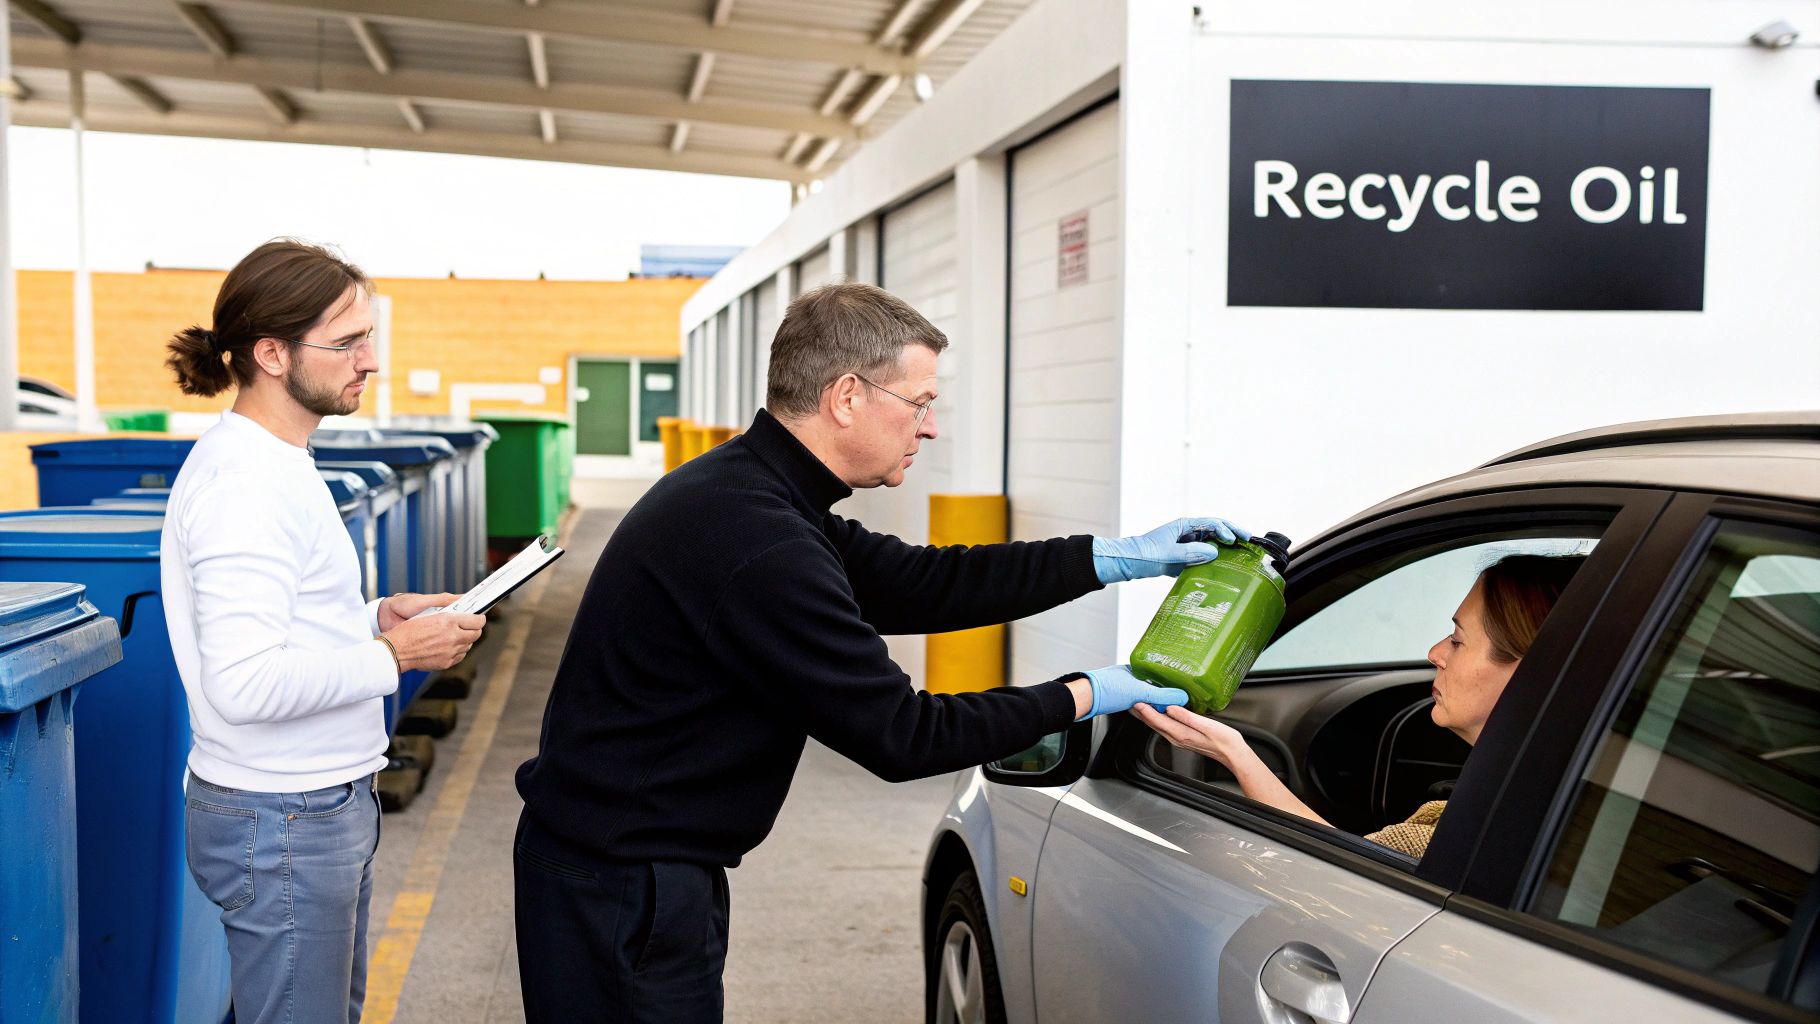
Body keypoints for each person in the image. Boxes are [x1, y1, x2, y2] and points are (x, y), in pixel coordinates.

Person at [513, 281, 1247, 1022]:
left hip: (628, 865)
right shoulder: (756, 536)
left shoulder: (758, 494)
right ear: (846, 397)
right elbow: (903, 735)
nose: (928, 428)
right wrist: (1085, 693)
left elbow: (924, 581)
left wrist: (1114, 558)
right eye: (920, 402)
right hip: (623, 884)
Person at [161, 239, 486, 1023]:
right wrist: (394, 655)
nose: (368, 360)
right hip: (283, 820)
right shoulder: (246, 484)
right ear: (271, 353)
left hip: (306, 809)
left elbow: (281, 629)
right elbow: (242, 683)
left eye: (368, 337)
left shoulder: (279, 459)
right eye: (346, 343)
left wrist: (376, 616)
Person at [1138, 552, 1585, 858]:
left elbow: (1337, 877)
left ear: (1530, 673)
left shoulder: (1486, 828)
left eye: (1457, 641)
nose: (1435, 653)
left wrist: (1233, 753)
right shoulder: (1558, 794)